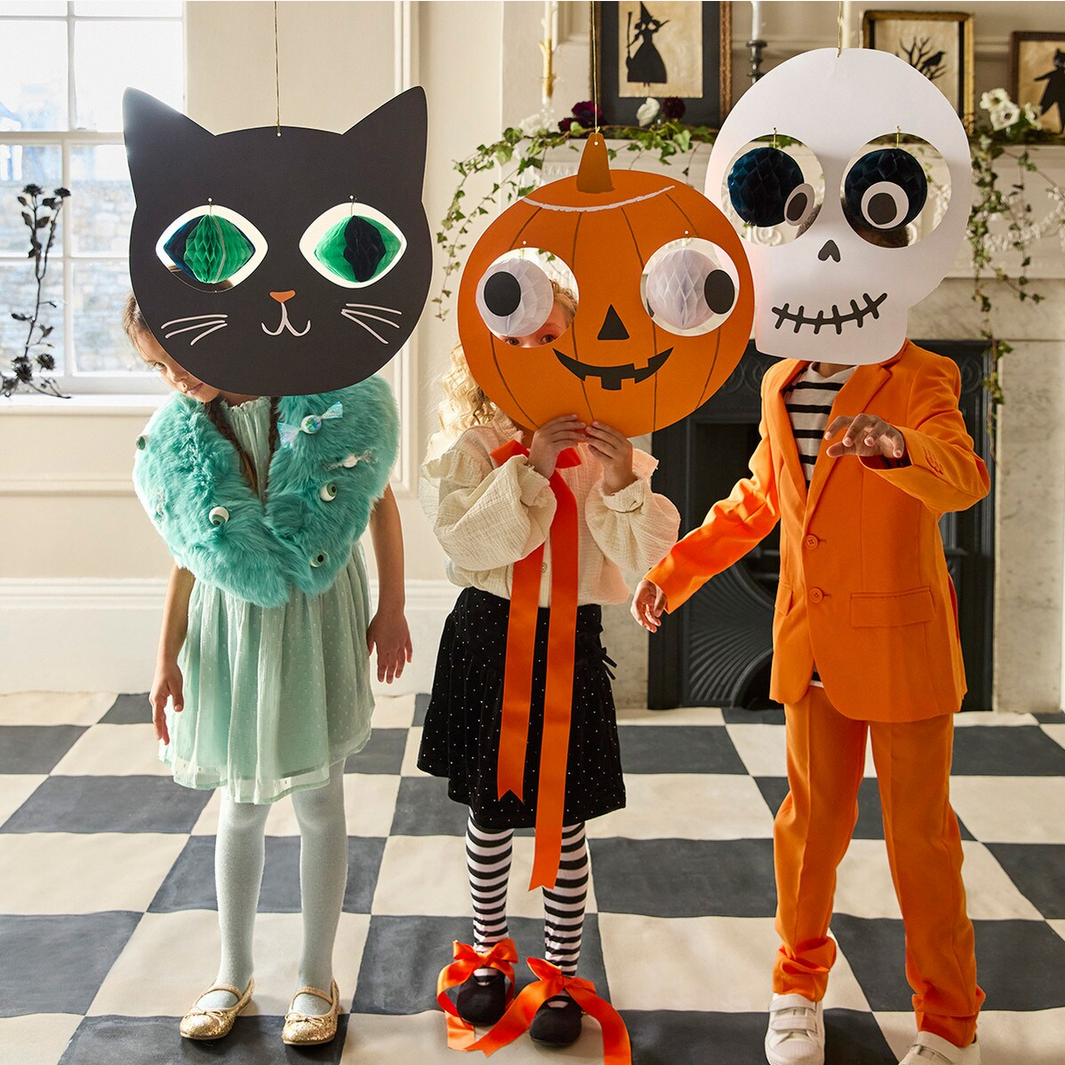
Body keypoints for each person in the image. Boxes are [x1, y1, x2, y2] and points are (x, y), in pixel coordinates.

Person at [632, 333, 989, 1065]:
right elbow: (760, 497)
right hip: (812, 641)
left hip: (900, 644)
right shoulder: (781, 382)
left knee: (919, 842)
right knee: (806, 828)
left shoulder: (920, 375)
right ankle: (795, 989)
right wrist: (673, 571)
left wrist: (896, 447)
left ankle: (948, 1021)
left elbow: (963, 480)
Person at [125, 295, 411, 1046]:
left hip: (318, 611)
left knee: (320, 799)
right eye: (156, 368)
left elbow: (379, 504)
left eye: (177, 357)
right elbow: (188, 553)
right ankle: (232, 968)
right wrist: (164, 657)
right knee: (240, 805)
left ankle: (316, 974)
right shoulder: (184, 437)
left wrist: (393, 607)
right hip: (233, 624)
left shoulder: (325, 401)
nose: (173, 379)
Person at [419, 286, 679, 1048]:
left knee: (563, 820)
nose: (539, 356)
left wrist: (623, 476)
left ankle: (562, 970)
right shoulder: (470, 450)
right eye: (521, 342)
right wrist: (527, 466)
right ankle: (489, 956)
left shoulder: (608, 451)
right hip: (486, 641)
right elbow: (469, 545)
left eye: (553, 339)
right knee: (492, 810)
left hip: (567, 643)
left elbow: (646, 556)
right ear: (491, 356)